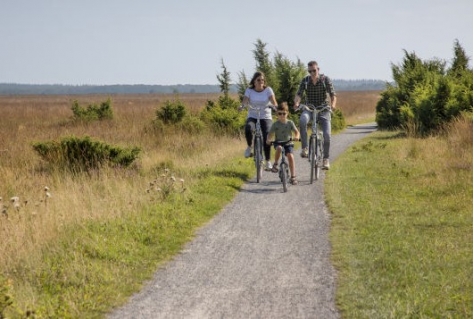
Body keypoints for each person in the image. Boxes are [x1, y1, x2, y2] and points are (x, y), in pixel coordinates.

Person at [294, 60, 337, 170]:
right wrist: (297, 103)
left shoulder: (325, 80)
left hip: (323, 109)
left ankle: (326, 159)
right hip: (310, 109)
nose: (312, 73)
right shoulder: (306, 81)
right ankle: (305, 148)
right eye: (310, 71)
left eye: (314, 70)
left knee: (327, 135)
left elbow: (333, 95)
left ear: (318, 69)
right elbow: (299, 94)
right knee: (303, 121)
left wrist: (333, 105)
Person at [239, 71, 278, 171]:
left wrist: (275, 107)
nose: (261, 82)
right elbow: (245, 101)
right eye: (258, 80)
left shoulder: (268, 90)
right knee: (248, 128)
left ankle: (268, 161)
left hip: (265, 116)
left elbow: (274, 102)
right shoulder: (249, 90)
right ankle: (249, 146)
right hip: (253, 115)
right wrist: (242, 106)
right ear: (254, 81)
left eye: (262, 80)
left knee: (267, 135)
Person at [266, 102, 300, 185]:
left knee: (290, 156)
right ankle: (276, 164)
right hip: (278, 142)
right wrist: (268, 139)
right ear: (277, 114)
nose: (282, 115)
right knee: (279, 148)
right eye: (280, 113)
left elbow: (296, 132)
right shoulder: (275, 124)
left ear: (287, 113)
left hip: (288, 142)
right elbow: (270, 134)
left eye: (284, 113)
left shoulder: (290, 123)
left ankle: (293, 177)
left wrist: (297, 137)